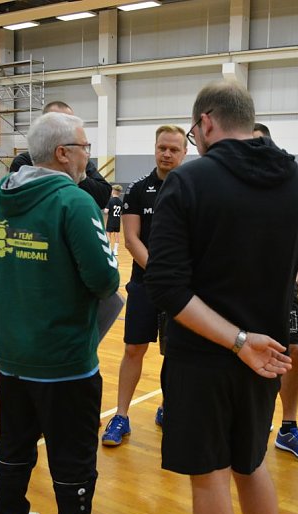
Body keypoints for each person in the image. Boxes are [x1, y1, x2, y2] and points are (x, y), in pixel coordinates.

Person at [146, 81, 298, 514]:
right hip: (268, 354)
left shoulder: (190, 181)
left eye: (194, 130)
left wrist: (237, 341)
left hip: (208, 354)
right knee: (252, 463)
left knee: (209, 476)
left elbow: (168, 287)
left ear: (206, 123)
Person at [0, 111, 124, 514]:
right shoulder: (74, 201)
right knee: (74, 458)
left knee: (15, 445)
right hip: (65, 360)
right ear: (63, 153)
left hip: (12, 353)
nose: (89, 155)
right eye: (85, 147)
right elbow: (105, 279)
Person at [101, 125, 187, 446]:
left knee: (175, 353)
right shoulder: (138, 189)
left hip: (180, 289)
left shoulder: (193, 188)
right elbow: (131, 239)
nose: (167, 153)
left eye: (173, 149)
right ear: (155, 148)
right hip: (144, 285)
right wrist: (159, 272)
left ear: (183, 153)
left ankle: (168, 407)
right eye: (162, 147)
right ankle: (121, 415)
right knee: (133, 348)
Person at [253, 126, 298, 463]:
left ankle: (288, 427)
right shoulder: (234, 182)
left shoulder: (295, 180)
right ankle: (254, 420)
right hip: (241, 287)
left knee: (292, 350)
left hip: (283, 287)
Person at [10, 101, 111, 208]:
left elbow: (103, 196)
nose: (68, 128)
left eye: (72, 122)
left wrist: (80, 176)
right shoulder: (24, 163)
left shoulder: (80, 160)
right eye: (62, 122)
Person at [104, 184, 123, 256]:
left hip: (111, 220)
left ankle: (108, 249)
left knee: (108, 234)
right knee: (117, 235)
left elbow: (106, 211)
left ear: (113, 191)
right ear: (119, 193)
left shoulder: (111, 201)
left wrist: (107, 210)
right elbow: (121, 211)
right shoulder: (120, 202)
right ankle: (115, 251)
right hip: (117, 221)